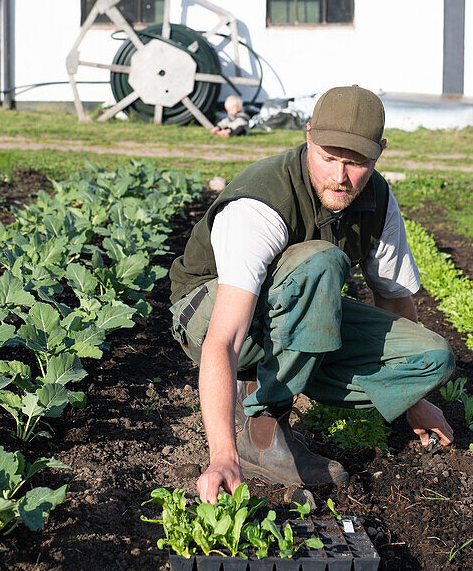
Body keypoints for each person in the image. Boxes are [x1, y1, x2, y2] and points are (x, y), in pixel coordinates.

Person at [170, 85, 456, 503]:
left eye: (356, 163)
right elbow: (223, 338)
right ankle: (263, 432)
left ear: (380, 152)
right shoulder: (260, 202)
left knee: (432, 358)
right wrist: (222, 455)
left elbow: (394, 299)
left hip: (289, 312)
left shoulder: (377, 199)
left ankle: (278, 380)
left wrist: (413, 397)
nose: (339, 177)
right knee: (321, 262)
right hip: (206, 313)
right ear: (308, 137)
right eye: (328, 158)